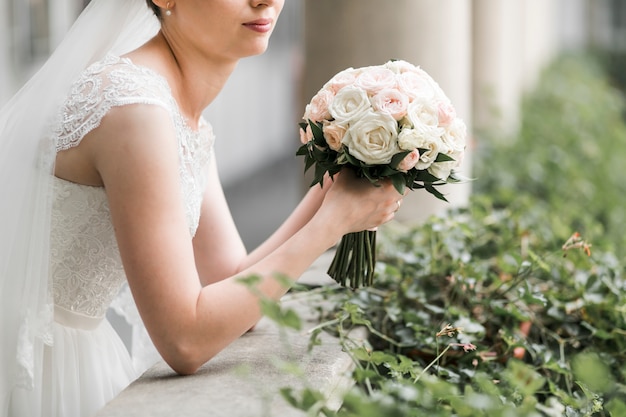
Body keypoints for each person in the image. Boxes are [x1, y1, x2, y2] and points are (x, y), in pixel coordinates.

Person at [0, 0, 405, 416]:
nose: (266, 0)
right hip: (36, 364)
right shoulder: (134, 109)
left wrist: (334, 183)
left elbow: (232, 280)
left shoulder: (179, 113)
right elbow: (185, 340)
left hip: (73, 350)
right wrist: (333, 224)